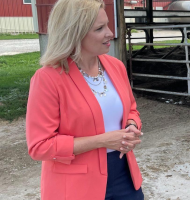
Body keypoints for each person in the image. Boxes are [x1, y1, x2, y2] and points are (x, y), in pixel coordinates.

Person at [25, 0, 144, 199]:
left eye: (107, 24)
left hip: (124, 174)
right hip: (75, 186)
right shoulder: (48, 78)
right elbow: (39, 146)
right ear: (74, 33)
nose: (110, 33)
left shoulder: (115, 66)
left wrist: (132, 124)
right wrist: (102, 141)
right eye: (99, 28)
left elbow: (131, 108)